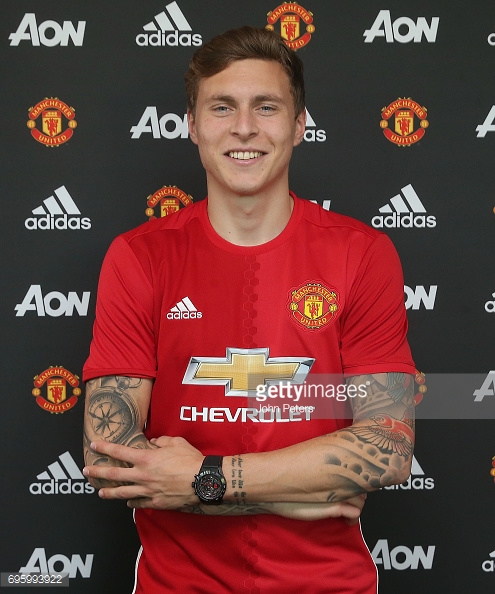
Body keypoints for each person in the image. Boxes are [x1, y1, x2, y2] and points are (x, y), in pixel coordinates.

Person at [82, 26, 416, 593]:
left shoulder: (362, 253)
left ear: (299, 124)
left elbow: (389, 448)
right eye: (222, 107)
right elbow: (109, 458)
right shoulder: (138, 256)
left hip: (329, 584)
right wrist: (297, 493)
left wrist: (203, 480)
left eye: (267, 107)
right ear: (191, 125)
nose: (244, 128)